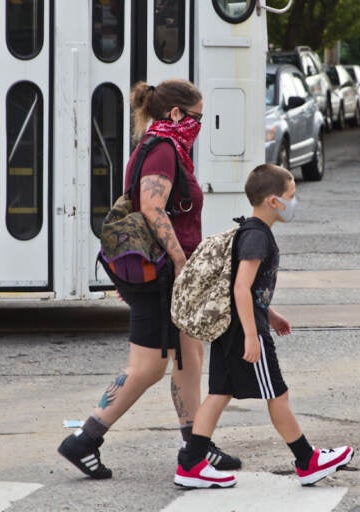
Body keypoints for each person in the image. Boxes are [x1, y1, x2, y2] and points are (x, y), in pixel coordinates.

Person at [58, 79, 240, 479]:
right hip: (162, 274)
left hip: (171, 272)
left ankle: (197, 446)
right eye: (197, 117)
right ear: (175, 114)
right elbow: (153, 208)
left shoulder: (162, 145)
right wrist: (180, 261)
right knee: (148, 366)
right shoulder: (161, 150)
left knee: (189, 357)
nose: (199, 125)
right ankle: (85, 438)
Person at [174, 164, 354, 488]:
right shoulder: (257, 236)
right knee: (278, 395)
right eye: (291, 195)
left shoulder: (251, 231)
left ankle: (190, 463)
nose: (294, 202)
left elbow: (250, 289)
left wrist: (271, 315)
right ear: (273, 201)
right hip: (243, 332)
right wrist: (252, 335)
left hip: (231, 329)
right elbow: (241, 287)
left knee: (218, 394)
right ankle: (307, 460)